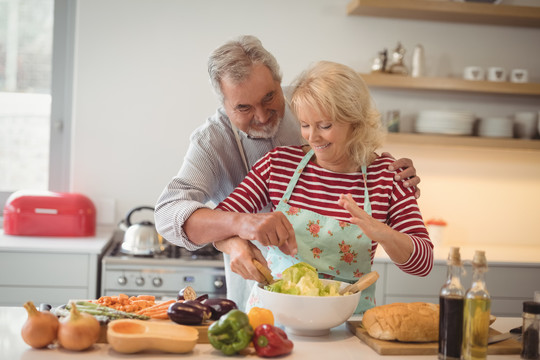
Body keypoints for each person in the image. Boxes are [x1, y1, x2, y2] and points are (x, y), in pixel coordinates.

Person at [155, 35, 422, 310]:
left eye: (269, 97)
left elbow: (357, 148)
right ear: (224, 105)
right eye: (244, 107)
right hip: (261, 286)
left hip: (347, 317)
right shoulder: (215, 142)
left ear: (279, 83)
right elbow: (168, 215)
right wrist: (239, 228)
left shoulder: (310, 101)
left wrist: (390, 180)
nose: (261, 116)